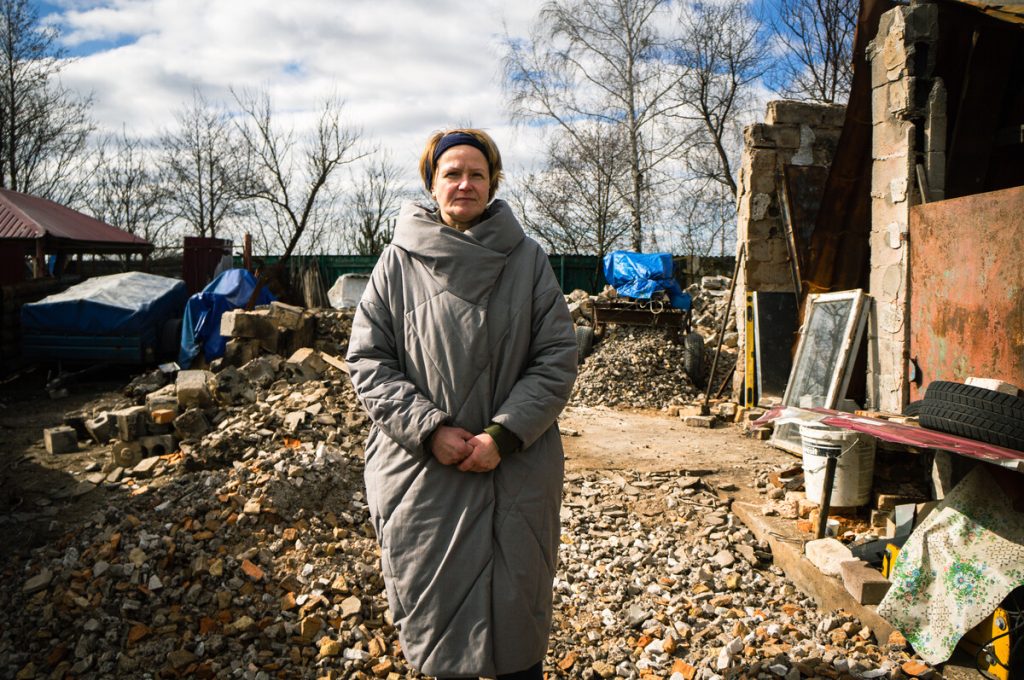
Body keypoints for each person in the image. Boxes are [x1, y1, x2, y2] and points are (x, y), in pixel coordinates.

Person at [346, 128, 578, 679]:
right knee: (438, 634)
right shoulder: (396, 264)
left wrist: (501, 436)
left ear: (493, 182)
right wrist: (430, 430)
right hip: (424, 473)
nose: (465, 183)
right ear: (432, 184)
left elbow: (555, 359)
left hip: (516, 470)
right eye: (452, 173)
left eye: (477, 173)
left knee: (517, 622)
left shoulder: (529, 261)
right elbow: (368, 361)